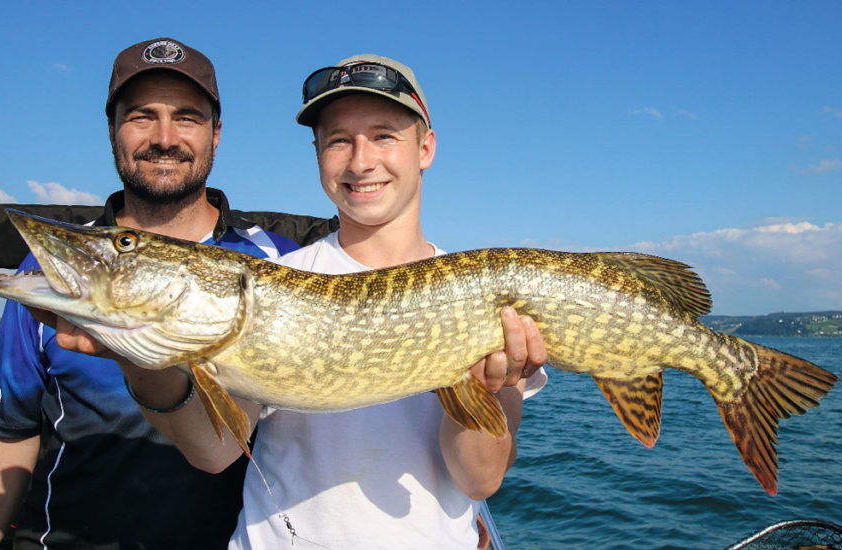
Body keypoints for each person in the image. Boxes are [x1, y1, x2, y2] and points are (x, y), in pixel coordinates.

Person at [108, 54, 549, 549]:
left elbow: (479, 480)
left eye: (384, 135)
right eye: (339, 140)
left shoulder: (488, 294)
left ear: (424, 148)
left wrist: (483, 392)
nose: (360, 162)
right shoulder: (276, 281)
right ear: (318, 153)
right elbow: (215, 451)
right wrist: (138, 356)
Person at [0, 38, 328, 550]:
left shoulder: (279, 264)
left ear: (216, 134)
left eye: (187, 117)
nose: (164, 138)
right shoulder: (51, 275)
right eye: (142, 116)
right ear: (113, 131)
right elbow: (1, 434)